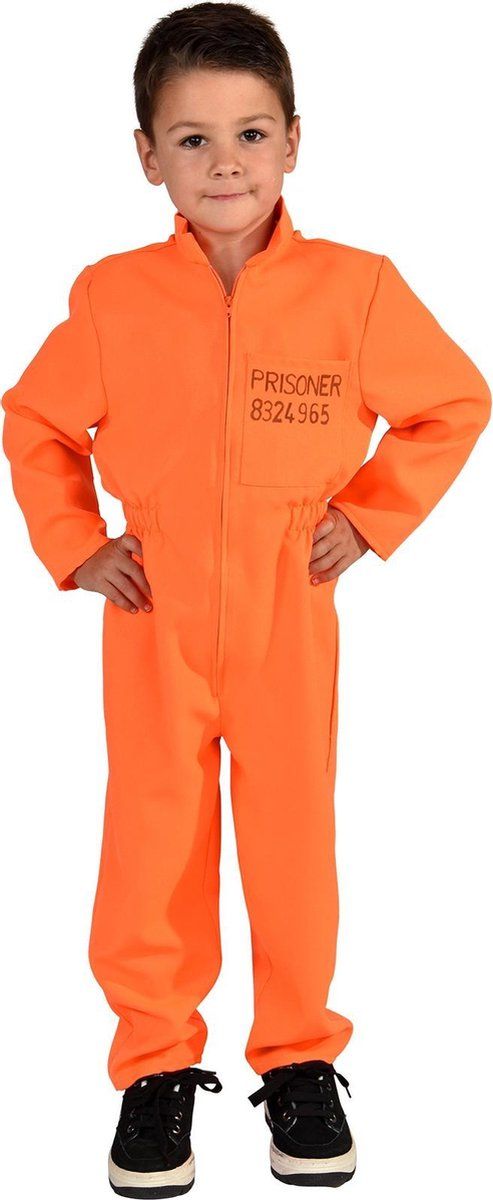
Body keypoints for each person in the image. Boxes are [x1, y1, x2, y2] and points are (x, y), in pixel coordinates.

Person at [1, 3, 490, 1195]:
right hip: (154, 611)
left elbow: (450, 403)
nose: (225, 163)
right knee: (152, 840)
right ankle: (155, 1067)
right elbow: (37, 423)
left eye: (250, 134)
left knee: (290, 841)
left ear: (293, 142)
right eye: (192, 139)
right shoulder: (114, 297)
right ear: (146, 156)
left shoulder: (355, 289)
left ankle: (299, 1058)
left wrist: (366, 518)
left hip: (288, 605)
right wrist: (77, 546)